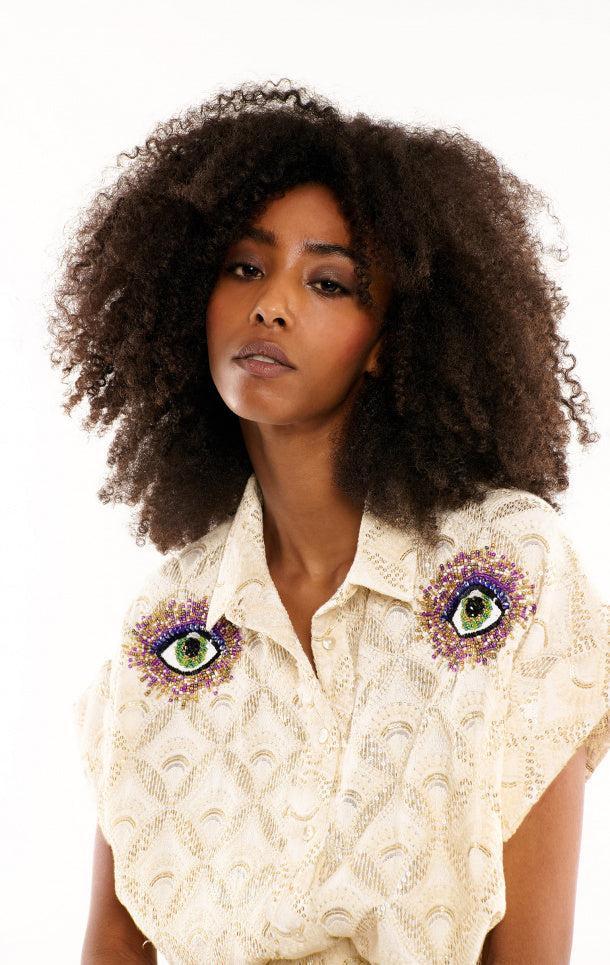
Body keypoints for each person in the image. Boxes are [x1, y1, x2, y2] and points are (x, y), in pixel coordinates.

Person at [48, 79, 610, 964]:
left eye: (329, 282)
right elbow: (115, 942)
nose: (271, 304)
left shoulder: (508, 570)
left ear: (387, 340)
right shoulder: (165, 627)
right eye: (245, 267)